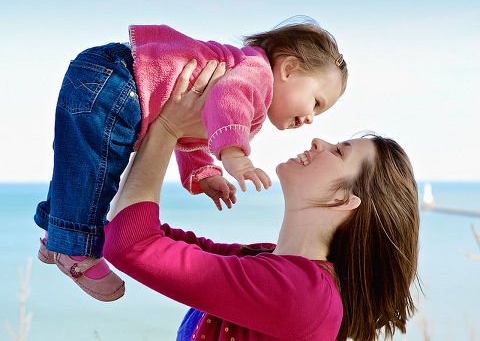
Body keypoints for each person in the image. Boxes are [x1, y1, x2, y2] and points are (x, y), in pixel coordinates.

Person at [34, 16, 348, 301]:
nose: (311, 119)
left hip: (107, 74)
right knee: (98, 170)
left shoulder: (246, 76)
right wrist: (235, 156)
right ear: (289, 69)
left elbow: (193, 130)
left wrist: (204, 173)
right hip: (119, 81)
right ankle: (75, 250)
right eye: (316, 103)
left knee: (79, 163)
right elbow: (228, 100)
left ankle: (56, 235)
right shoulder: (256, 75)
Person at [104, 60, 420, 340]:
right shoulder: (265, 260)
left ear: (343, 199)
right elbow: (124, 230)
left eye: (338, 152)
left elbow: (132, 244)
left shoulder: (304, 293)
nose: (318, 140)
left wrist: (169, 126)